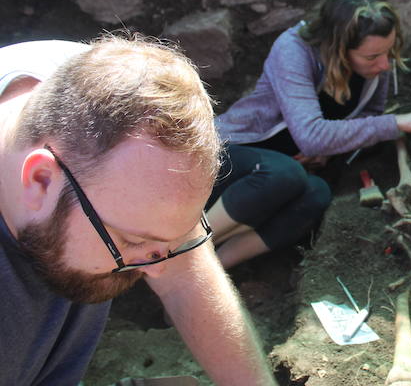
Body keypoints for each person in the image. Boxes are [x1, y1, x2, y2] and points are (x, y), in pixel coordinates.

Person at [0, 35, 276, 385]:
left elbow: (186, 278)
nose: (158, 271)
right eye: (131, 241)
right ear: (40, 180)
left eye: (171, 242)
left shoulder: (91, 90)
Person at [209, 0, 411, 269]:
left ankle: (215, 269)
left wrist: (329, 150)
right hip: (229, 157)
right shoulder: (293, 49)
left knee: (317, 193)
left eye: (389, 51)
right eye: (372, 57)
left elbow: (367, 115)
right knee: (284, 173)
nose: (385, 65)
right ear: (338, 47)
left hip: (282, 171)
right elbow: (311, 138)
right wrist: (397, 123)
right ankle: (184, 249)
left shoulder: (376, 62)